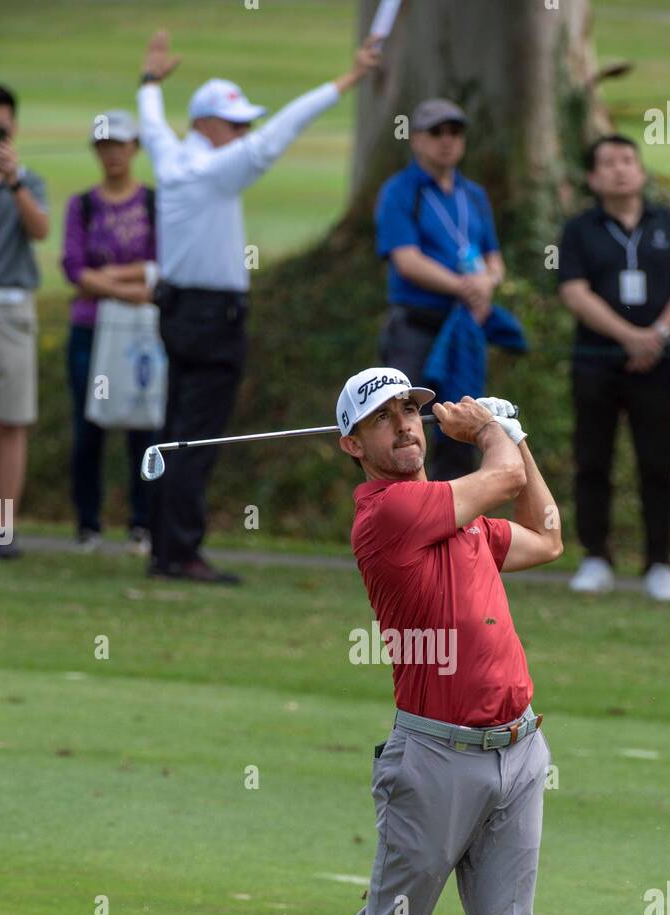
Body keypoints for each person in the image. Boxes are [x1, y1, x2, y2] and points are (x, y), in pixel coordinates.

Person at [243, 369, 563, 915]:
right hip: (432, 764)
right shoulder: (386, 515)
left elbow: (548, 532)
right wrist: (491, 432)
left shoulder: (463, 525)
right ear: (353, 445)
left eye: (411, 412)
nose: (405, 427)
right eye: (382, 420)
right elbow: (496, 480)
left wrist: (511, 427)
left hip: (518, 755)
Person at [136, 28, 380, 584]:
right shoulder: (211, 171)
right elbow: (279, 134)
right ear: (205, 125)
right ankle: (180, 553)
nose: (244, 132)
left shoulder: (173, 157)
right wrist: (347, 79)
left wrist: (149, 82)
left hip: (178, 311)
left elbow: (151, 124)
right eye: (235, 122)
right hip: (210, 317)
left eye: (245, 121)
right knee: (196, 435)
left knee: (176, 429)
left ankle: (165, 549)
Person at [558, 134, 670, 601]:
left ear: (642, 171)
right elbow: (574, 292)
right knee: (593, 459)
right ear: (592, 177)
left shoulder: (669, 224)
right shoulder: (579, 229)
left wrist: (657, 335)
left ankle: (660, 562)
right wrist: (628, 336)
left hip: (658, 362)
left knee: (657, 461)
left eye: (628, 160)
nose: (619, 169)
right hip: (596, 362)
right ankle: (596, 557)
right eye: (608, 163)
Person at [375, 100, 509, 483]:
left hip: (463, 325)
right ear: (416, 139)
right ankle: (401, 513)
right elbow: (406, 259)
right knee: (400, 423)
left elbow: (494, 258)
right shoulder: (401, 190)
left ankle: (451, 518)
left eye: (454, 132)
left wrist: (487, 282)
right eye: (436, 133)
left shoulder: (474, 194)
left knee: (459, 422)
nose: (446, 141)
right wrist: (466, 287)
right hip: (415, 325)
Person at [61, 111, 157, 554]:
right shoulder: (82, 206)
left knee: (145, 422)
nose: (112, 153)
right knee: (89, 425)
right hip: (92, 328)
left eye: (119, 144)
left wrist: (112, 278)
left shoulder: (153, 204)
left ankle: (143, 522)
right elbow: (74, 269)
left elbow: (163, 264)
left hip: (141, 331)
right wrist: (129, 287)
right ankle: (88, 523)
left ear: (134, 147)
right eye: (104, 145)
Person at [0, 82, 49, 560]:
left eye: (0, 127)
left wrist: (14, 179)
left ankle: (2, 529)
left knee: (11, 423)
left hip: (12, 309)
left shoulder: (30, 180)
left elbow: (40, 229)